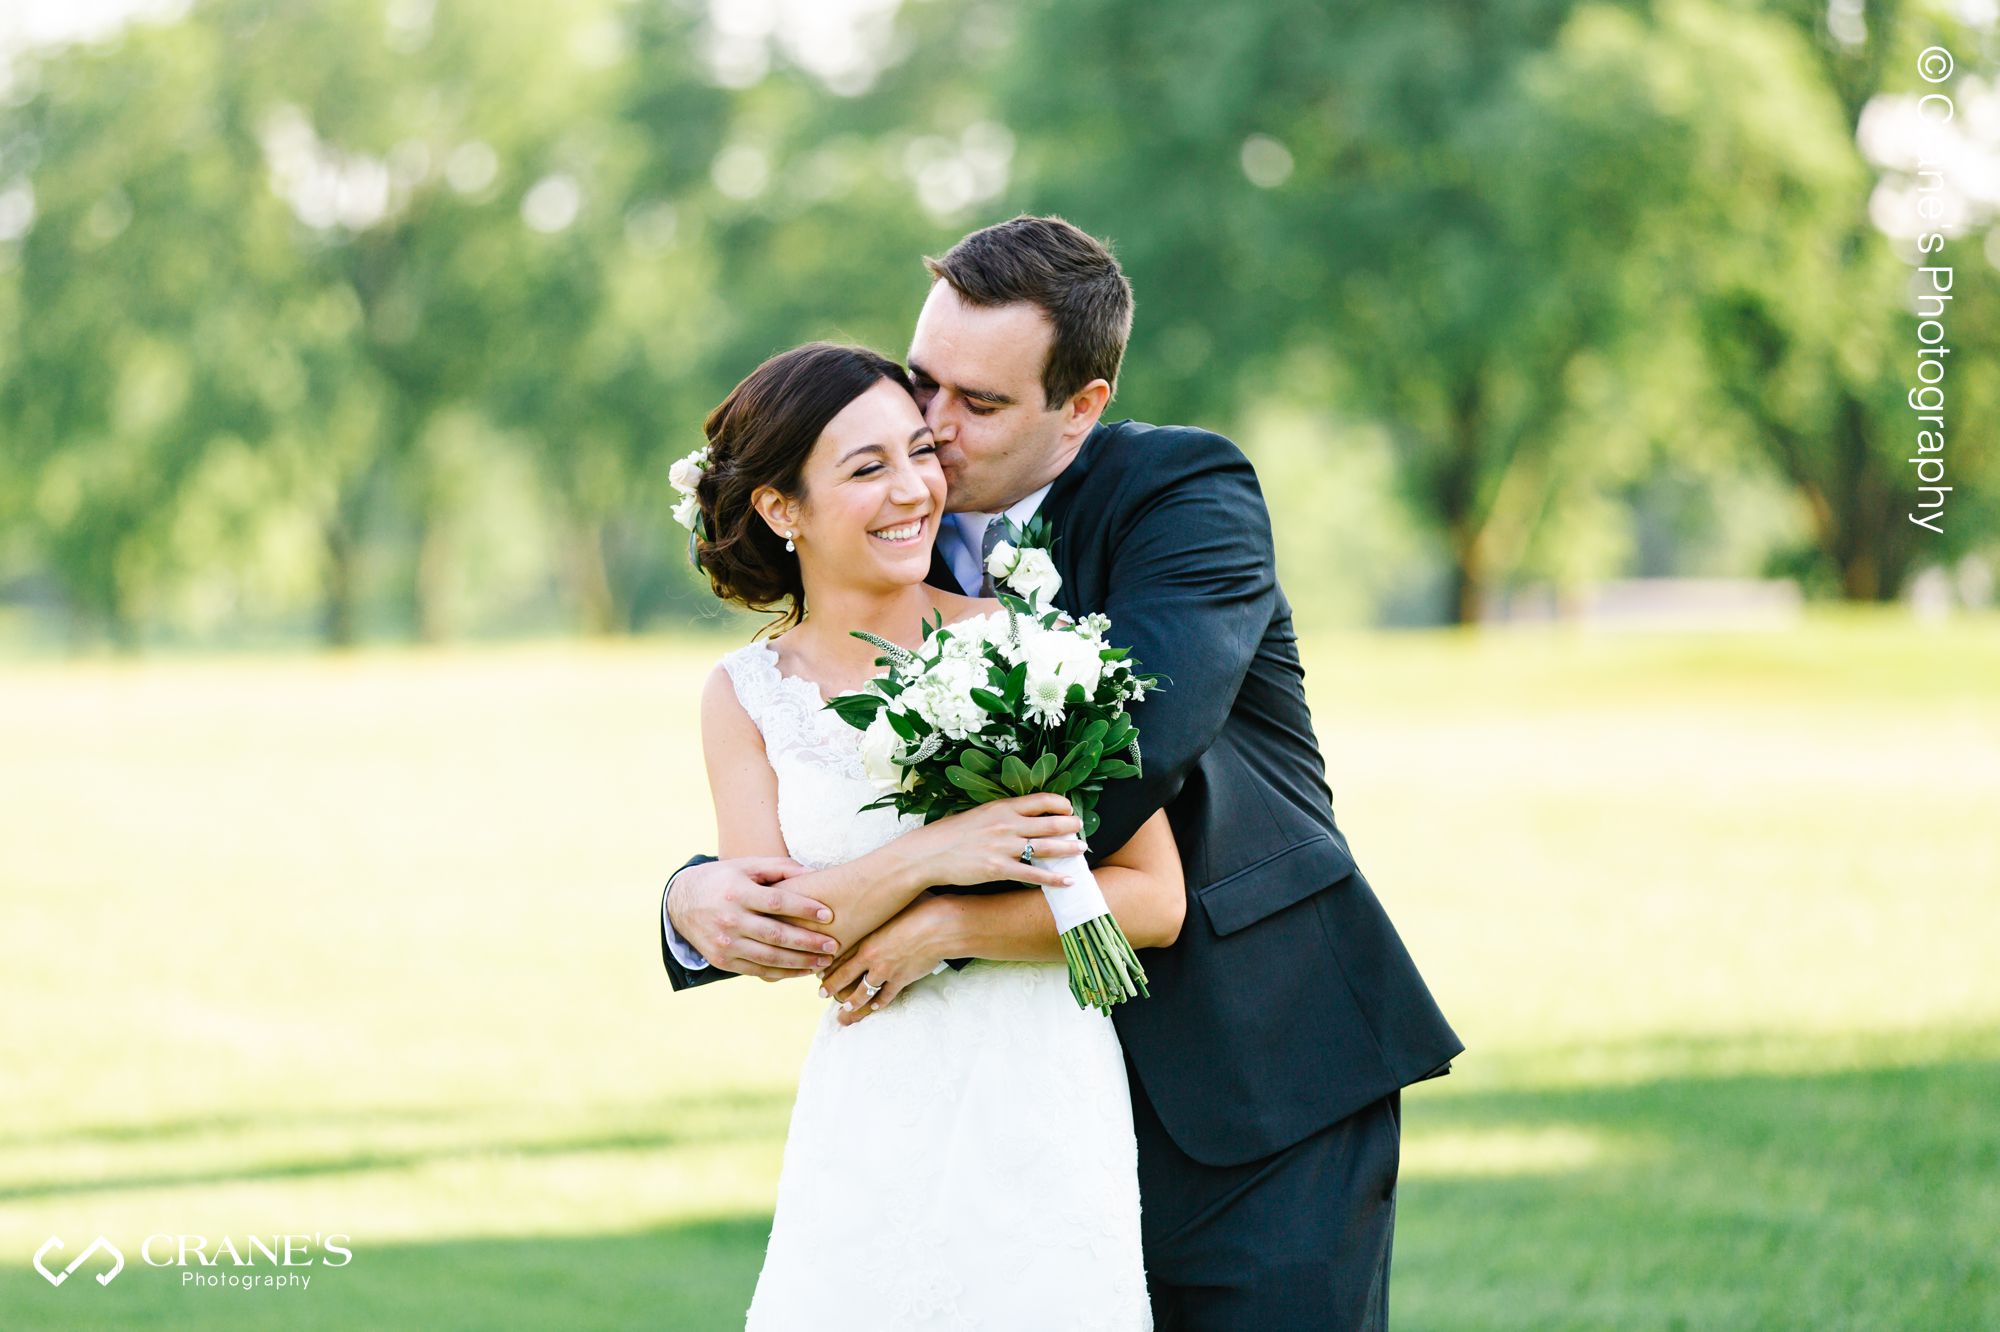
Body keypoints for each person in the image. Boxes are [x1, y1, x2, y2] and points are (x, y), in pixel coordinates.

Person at [663, 216, 1464, 1330]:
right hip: (989, 1106)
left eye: (977, 406)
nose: (931, 440)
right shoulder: (898, 536)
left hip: (1250, 1064)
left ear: (1077, 409)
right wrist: (695, 897)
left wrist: (916, 911)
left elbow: (1125, 753)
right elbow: (819, 767)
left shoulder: (1184, 495)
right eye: (921, 385)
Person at [684, 340, 1184, 1328]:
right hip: (873, 1098)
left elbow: (1153, 900)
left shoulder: (1033, 646)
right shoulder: (744, 697)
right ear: (782, 510)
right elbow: (779, 934)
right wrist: (932, 854)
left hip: (1042, 1095)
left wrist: (943, 925)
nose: (913, 488)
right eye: (866, 468)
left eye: (919, 452)